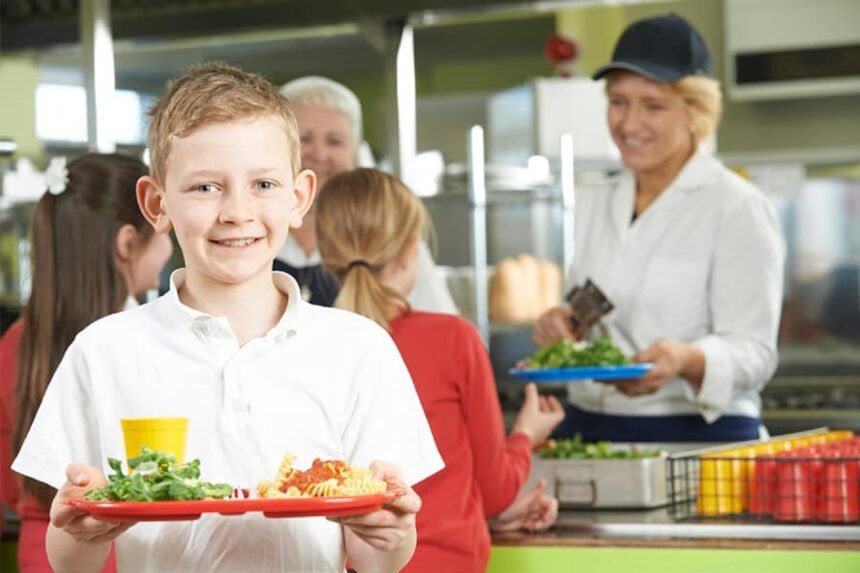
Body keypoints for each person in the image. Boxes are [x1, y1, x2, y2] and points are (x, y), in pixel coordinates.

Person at [11, 63, 442, 573]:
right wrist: (79, 530)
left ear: (299, 197)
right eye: (205, 188)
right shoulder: (103, 350)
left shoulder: (358, 348)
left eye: (263, 183)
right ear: (156, 204)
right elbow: (71, 562)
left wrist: (392, 532)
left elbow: (377, 560)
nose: (237, 211)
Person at [533, 14, 785, 442]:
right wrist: (562, 325)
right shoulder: (595, 201)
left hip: (698, 437)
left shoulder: (736, 207)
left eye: (653, 105)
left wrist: (686, 358)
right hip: (588, 430)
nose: (629, 124)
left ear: (695, 112)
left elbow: (756, 354)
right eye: (618, 101)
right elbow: (590, 308)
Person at [316, 168, 563, 572]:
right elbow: (496, 492)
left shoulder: (308, 347)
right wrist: (525, 435)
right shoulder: (453, 339)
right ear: (411, 247)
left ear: (327, 256)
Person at [0, 153, 173, 572]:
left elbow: (9, 481)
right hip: (117, 552)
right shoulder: (140, 345)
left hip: (38, 552)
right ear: (127, 243)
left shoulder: (13, 344)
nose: (170, 246)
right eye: (164, 231)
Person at [276, 76, 459, 313]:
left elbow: (436, 322)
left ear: (355, 154)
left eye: (335, 141)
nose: (319, 154)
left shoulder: (390, 232)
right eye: (305, 139)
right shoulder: (253, 229)